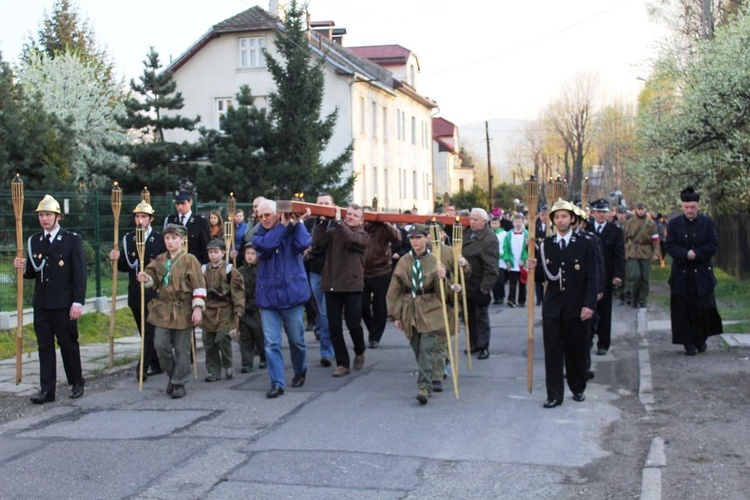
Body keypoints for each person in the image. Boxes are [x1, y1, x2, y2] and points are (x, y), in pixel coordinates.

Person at [14, 195, 87, 404]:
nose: (44, 219)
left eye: (48, 215)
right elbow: (33, 273)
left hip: (64, 304)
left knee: (67, 343)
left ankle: (76, 381)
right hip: (42, 303)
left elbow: (79, 274)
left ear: (58, 217)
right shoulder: (35, 241)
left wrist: (77, 302)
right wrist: (22, 267)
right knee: (44, 346)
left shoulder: (72, 239)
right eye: (41, 215)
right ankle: (47, 390)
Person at [527, 198, 599, 408]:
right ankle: (554, 394)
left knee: (576, 350)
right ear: (552, 221)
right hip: (553, 307)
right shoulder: (545, 245)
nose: (560, 221)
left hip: (577, 306)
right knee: (552, 352)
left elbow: (592, 276)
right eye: (557, 217)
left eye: (564, 216)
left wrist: (589, 304)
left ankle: (578, 388)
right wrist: (532, 267)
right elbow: (544, 276)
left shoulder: (585, 243)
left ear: (572, 218)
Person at [387, 224, 462, 404]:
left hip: (431, 308)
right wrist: (395, 316)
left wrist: (445, 280)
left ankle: (424, 387)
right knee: (418, 348)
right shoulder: (404, 261)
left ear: (425, 239)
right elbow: (394, 290)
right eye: (412, 238)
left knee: (428, 348)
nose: (415, 242)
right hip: (410, 308)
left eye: (418, 238)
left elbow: (445, 291)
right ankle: (427, 377)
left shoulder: (434, 260)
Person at [137, 224, 207, 399]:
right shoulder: (160, 260)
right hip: (163, 309)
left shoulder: (190, 260)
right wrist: (145, 278)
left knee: (182, 349)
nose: (170, 241)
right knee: (160, 345)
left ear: (182, 239)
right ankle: (173, 374)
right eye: (167, 238)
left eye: (174, 238)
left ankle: (179, 383)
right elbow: (152, 279)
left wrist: (197, 308)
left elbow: (199, 285)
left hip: (183, 308)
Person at [252, 199, 312, 398]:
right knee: (272, 343)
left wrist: (299, 222)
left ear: (277, 213)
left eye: (267, 214)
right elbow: (268, 246)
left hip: (291, 294)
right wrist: (285, 226)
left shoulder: (293, 228)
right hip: (268, 298)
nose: (264, 219)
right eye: (260, 216)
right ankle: (277, 382)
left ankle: (300, 369)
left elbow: (304, 243)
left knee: (297, 341)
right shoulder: (258, 235)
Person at [109, 200, 167, 381]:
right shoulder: (128, 239)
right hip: (135, 291)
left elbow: (163, 265)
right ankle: (156, 364)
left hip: (153, 291)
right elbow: (127, 266)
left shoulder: (158, 239)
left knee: (150, 330)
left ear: (151, 219)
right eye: (137, 216)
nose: (140, 220)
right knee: (144, 332)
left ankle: (141, 367)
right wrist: (116, 260)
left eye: (143, 216)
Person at [313, 204, 370, 377]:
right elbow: (316, 242)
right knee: (334, 328)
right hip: (332, 285)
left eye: (355, 215)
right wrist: (322, 222)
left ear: (361, 220)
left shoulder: (363, 235)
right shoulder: (334, 232)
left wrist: (339, 223)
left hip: (352, 286)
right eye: (349, 214)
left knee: (354, 325)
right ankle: (342, 363)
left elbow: (352, 240)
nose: (351, 217)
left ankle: (359, 350)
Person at [665, 186, 723, 355]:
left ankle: (701, 339)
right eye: (686, 207)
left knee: (703, 308)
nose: (689, 210)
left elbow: (712, 245)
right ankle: (688, 342)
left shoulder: (707, 223)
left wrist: (696, 254)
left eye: (692, 207)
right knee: (683, 310)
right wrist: (685, 254)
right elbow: (669, 245)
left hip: (702, 273)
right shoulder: (675, 224)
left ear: (698, 207)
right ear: (683, 207)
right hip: (682, 274)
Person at [201, 239, 244, 382]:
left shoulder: (229, 270)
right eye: (210, 252)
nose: (213, 255)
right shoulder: (203, 269)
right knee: (208, 341)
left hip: (224, 309)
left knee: (222, 337)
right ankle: (213, 371)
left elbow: (237, 290)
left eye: (216, 252)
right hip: (207, 310)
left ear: (223, 253)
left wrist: (238, 307)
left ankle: (228, 365)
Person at [461, 208, 499, 359]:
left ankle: (483, 346)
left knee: (481, 316)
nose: (472, 222)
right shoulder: (467, 233)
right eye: (471, 219)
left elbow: (491, 266)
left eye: (476, 219)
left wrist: (485, 287)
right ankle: (473, 344)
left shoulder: (489, 238)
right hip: (466, 283)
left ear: (485, 221)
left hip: (479, 283)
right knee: (468, 316)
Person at [304, 193, 336, 367]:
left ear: (332, 205)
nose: (323, 206)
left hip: (333, 273)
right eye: (320, 204)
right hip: (315, 270)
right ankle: (329, 347)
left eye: (326, 203)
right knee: (322, 312)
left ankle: (327, 351)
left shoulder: (338, 223)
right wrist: (306, 248)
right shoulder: (310, 222)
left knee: (326, 313)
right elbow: (304, 242)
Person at [590, 198, 625, 355]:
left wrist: (618, 274)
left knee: (605, 311)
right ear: (593, 213)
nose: (601, 215)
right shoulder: (587, 229)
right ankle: (588, 339)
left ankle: (603, 343)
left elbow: (619, 254)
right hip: (589, 277)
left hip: (607, 276)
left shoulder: (615, 231)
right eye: (598, 212)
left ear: (609, 213)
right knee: (589, 309)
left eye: (604, 212)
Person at [362, 220, 402, 348]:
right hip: (362, 272)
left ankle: (375, 337)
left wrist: (387, 224)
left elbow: (397, 237)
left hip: (381, 271)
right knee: (362, 306)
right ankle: (372, 329)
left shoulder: (382, 228)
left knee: (380, 306)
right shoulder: (359, 228)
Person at [624, 202, 660, 308]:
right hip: (633, 252)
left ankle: (642, 299)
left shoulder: (651, 223)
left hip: (646, 251)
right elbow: (625, 238)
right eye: (639, 209)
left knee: (645, 277)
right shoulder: (630, 222)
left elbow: (655, 239)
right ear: (635, 210)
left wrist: (656, 253)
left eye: (643, 209)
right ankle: (633, 298)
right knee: (635, 276)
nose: (641, 211)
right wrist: (625, 251)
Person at [237, 242, 266, 372]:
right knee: (245, 336)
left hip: (257, 307)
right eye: (247, 253)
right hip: (244, 307)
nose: (249, 256)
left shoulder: (262, 269)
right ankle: (246, 362)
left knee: (259, 334)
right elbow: (236, 289)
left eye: (252, 253)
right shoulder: (240, 271)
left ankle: (264, 357)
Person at [164, 190, 210, 264]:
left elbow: (205, 246)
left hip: (194, 264)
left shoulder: (200, 221)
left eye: (183, 203)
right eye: (177, 203)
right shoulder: (170, 220)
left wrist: (204, 266)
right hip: (174, 264)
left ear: (190, 202)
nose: (180, 206)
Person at [501, 213, 528, 307]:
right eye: (516, 221)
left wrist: (524, 259)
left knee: (522, 283)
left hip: (522, 264)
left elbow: (527, 249)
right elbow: (506, 248)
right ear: (513, 223)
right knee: (512, 283)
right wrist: (507, 260)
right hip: (512, 263)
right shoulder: (508, 235)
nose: (518, 223)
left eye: (519, 221)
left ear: (523, 222)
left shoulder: (526, 234)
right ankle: (511, 300)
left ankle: (522, 300)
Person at [490, 217, 507, 305]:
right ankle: (495, 297)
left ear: (499, 224)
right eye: (492, 223)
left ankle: (501, 296)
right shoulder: (489, 233)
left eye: (495, 223)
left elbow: (505, 245)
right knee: (493, 279)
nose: (494, 225)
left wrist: (503, 255)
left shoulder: (504, 234)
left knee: (500, 279)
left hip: (501, 259)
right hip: (492, 259)